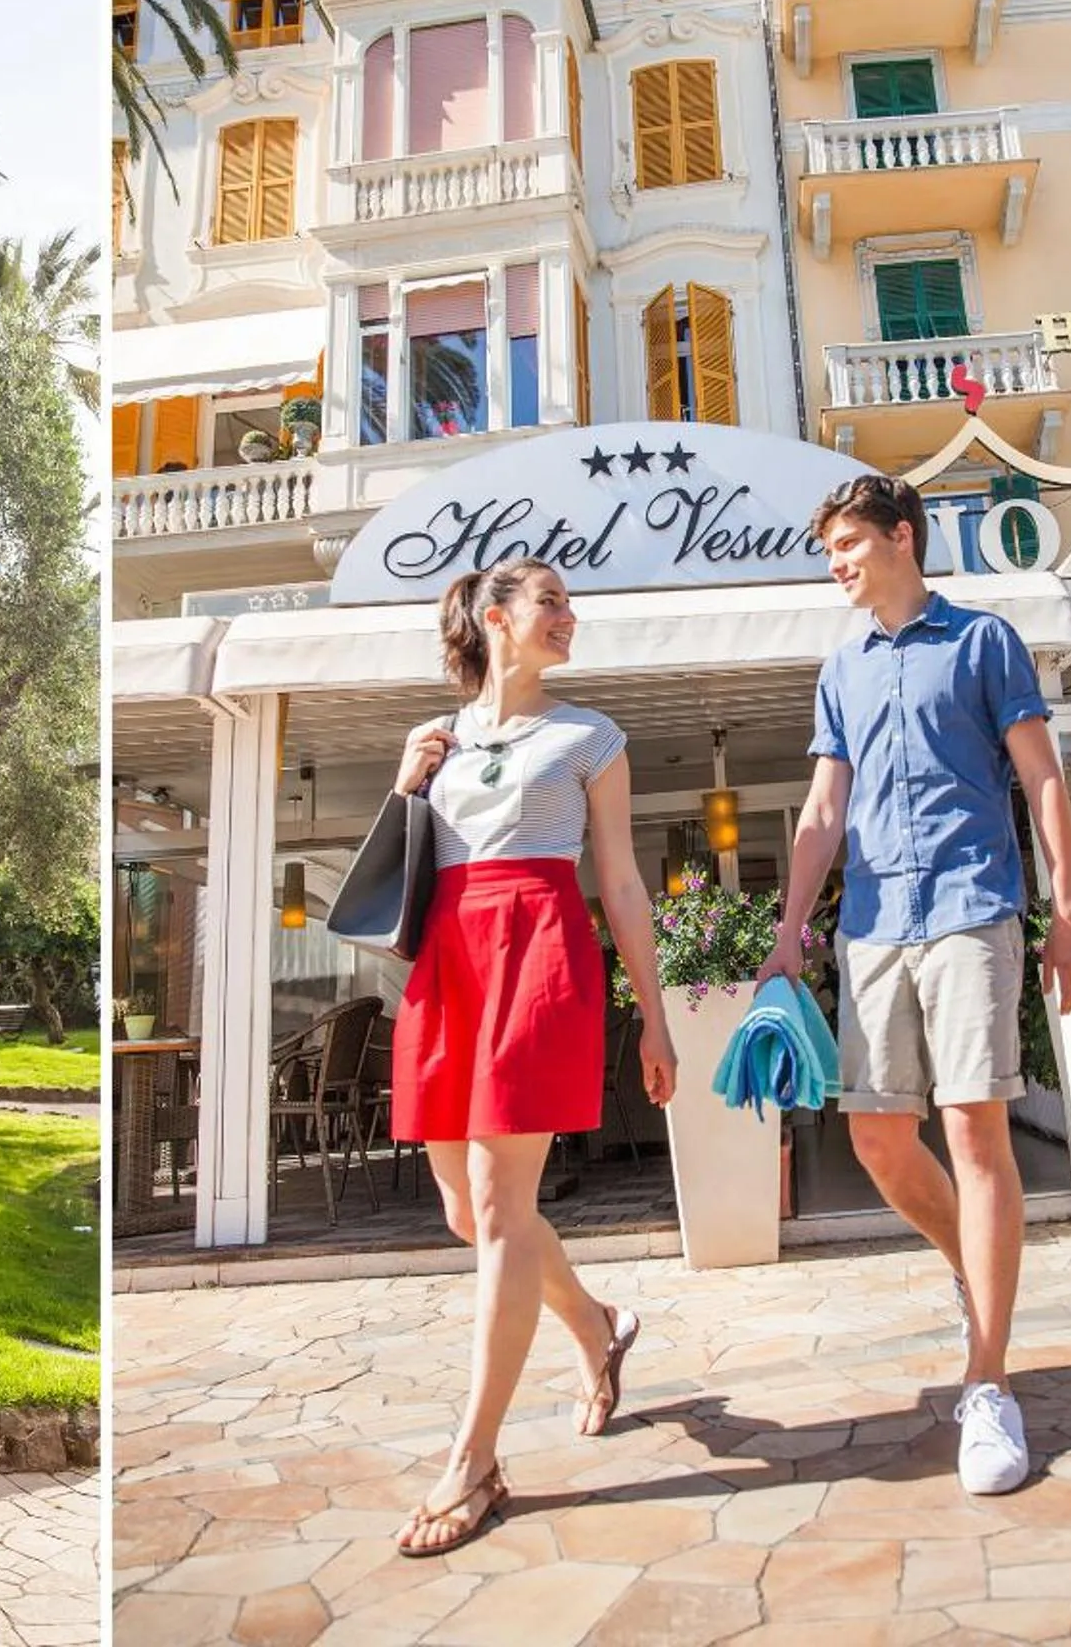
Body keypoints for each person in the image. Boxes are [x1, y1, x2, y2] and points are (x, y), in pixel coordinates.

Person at [759, 473, 1071, 1497]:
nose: (838, 565)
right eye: (830, 553)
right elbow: (822, 812)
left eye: (850, 545)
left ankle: (987, 1385)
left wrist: (1067, 911)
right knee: (872, 1137)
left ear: (902, 536)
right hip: (870, 924)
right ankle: (973, 1268)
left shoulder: (983, 642)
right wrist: (787, 933)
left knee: (972, 1127)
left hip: (972, 902)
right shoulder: (841, 669)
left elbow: (1040, 775)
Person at [387, 555, 679, 1557]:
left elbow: (623, 885)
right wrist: (405, 784)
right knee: (468, 1213)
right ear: (494, 617)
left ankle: (475, 1459)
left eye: (567, 602)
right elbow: (401, 868)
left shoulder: (591, 736)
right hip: (446, 961)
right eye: (549, 602)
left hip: (538, 950)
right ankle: (598, 1325)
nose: (569, 616)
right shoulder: (435, 741)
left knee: (504, 1208)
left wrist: (655, 1012)